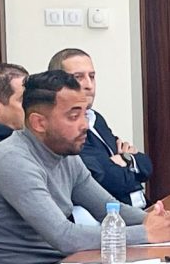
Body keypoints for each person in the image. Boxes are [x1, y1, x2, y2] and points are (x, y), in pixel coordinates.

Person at [0, 70, 170, 264]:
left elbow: (107, 208)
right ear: (39, 123)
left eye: (85, 114)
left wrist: (155, 221)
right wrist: (146, 233)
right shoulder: (12, 161)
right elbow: (64, 236)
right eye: (73, 117)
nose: (85, 125)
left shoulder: (64, 154)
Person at [48, 47, 155, 205]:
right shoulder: (64, 127)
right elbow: (108, 179)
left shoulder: (95, 118)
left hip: (142, 207)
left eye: (92, 76)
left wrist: (125, 159)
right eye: (78, 77)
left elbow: (146, 165)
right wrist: (128, 166)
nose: (89, 85)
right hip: (112, 215)